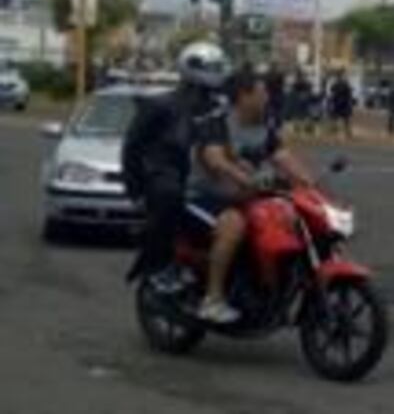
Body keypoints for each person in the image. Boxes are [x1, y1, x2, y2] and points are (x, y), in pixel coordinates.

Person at [189, 69, 315, 323]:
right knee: (234, 225)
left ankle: (268, 286)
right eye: (262, 92)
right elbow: (216, 160)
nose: (267, 97)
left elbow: (283, 157)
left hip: (247, 196)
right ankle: (212, 299)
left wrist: (309, 183)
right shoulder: (217, 123)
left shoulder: (264, 126)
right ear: (244, 96)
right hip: (205, 198)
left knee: (290, 217)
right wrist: (246, 179)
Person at [122, 42, 229, 287]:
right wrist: (135, 189)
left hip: (201, 181)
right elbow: (132, 147)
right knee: (169, 195)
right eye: (212, 67)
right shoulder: (159, 106)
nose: (217, 71)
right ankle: (160, 265)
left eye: (218, 66)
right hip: (165, 176)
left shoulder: (217, 108)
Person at [328, 73, 355, 138]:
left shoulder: (340, 84)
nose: (339, 78)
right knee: (341, 118)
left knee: (344, 118)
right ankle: (344, 131)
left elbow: (332, 91)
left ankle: (346, 132)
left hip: (341, 102)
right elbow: (332, 91)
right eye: (339, 77)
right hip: (341, 102)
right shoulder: (342, 84)